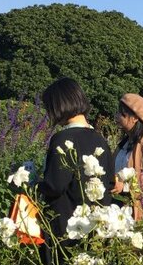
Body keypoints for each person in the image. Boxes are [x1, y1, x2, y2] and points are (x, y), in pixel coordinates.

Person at [38, 78, 115, 238]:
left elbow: (55, 185)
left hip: (67, 226)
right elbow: (110, 182)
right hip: (95, 224)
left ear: (58, 107)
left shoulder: (63, 139)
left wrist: (35, 184)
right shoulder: (100, 140)